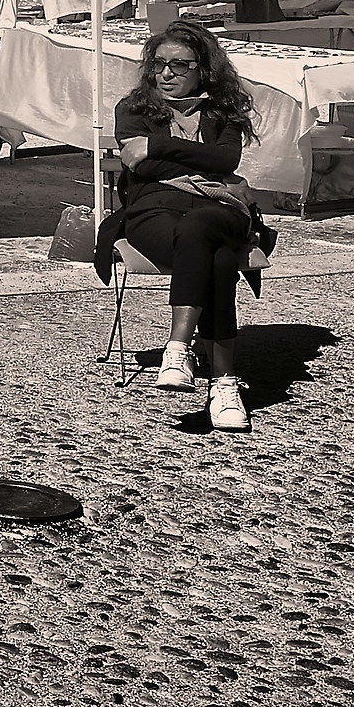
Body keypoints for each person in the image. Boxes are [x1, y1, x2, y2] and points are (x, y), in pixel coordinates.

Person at [98, 21, 276, 433]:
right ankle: (224, 383)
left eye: (180, 65)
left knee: (201, 226)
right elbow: (142, 166)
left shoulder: (223, 109)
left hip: (220, 210)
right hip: (153, 212)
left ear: (204, 69)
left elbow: (225, 161)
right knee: (215, 258)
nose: (166, 74)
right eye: (159, 64)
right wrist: (199, 156)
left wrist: (157, 146)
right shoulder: (134, 108)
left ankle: (177, 350)